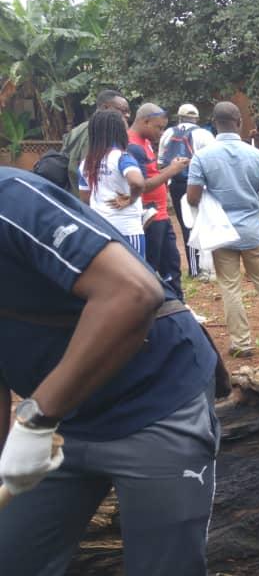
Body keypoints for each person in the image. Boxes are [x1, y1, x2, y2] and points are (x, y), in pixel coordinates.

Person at [0, 166, 219, 574]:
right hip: (59, 422)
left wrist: (35, 419)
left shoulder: (11, 200)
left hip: (154, 399)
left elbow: (133, 292)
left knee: (164, 566)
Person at [187, 102, 259, 358]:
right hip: (251, 232)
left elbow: (192, 197)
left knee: (230, 287)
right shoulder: (257, 155)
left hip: (221, 233)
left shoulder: (202, 157)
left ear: (214, 122)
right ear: (239, 122)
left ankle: (241, 343)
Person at [128, 103, 189, 299]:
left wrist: (170, 168)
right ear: (145, 121)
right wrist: (172, 171)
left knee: (171, 264)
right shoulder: (132, 146)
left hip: (161, 213)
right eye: (158, 127)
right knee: (151, 267)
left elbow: (153, 174)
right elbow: (142, 184)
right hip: (149, 216)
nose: (161, 132)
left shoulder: (145, 142)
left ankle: (178, 306)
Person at [76, 110, 146, 256]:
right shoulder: (122, 157)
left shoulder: (86, 163)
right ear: (119, 131)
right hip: (127, 230)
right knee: (134, 275)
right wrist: (131, 199)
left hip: (100, 231)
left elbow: (85, 198)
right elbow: (138, 182)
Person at [160, 103, 215, 280]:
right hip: (200, 185)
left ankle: (193, 269)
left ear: (179, 117)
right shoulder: (204, 134)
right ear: (196, 118)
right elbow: (213, 162)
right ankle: (207, 267)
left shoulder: (168, 134)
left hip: (176, 184)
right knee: (205, 222)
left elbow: (161, 162)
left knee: (186, 225)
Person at [60, 89, 130, 194]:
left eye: (128, 111)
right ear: (106, 107)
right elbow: (91, 170)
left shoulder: (79, 128)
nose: (127, 115)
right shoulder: (98, 131)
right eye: (123, 110)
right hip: (85, 198)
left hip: (72, 193)